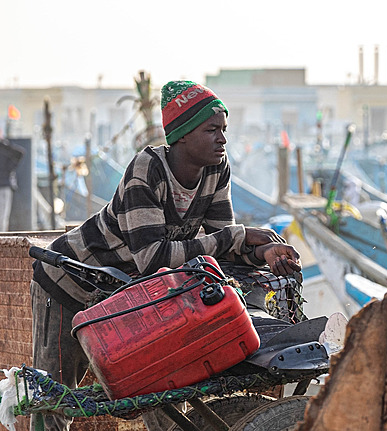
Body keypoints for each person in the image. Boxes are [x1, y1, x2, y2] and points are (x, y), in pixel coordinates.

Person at [30, 80, 301, 430]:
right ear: (183, 135)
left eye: (224, 130)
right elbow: (153, 259)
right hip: (71, 284)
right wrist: (237, 236)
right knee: (54, 398)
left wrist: (264, 252)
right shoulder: (148, 169)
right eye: (212, 130)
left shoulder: (216, 170)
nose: (222, 139)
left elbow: (222, 248)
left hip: (130, 296)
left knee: (162, 388)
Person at [0, 138, 25, 231]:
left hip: (4, 185)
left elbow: (20, 152)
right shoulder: (5, 147)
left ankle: (1, 242)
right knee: (2, 218)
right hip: (4, 185)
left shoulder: (4, 147)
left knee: (2, 218)